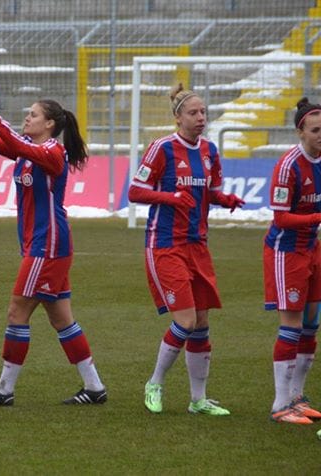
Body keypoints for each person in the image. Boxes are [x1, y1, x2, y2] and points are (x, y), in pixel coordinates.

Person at [0, 83, 107, 407]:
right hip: (43, 245)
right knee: (61, 319)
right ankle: (94, 387)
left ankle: (4, 390)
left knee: (17, 312)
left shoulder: (52, 152)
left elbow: (12, 141)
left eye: (33, 115)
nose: (26, 119)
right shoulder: (29, 147)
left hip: (48, 246)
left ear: (50, 125)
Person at [128, 83, 244, 416]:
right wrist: (171, 197)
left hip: (198, 246)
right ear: (178, 118)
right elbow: (135, 192)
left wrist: (225, 200)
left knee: (202, 322)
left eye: (204, 112)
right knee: (187, 320)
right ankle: (155, 383)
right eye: (193, 113)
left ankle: (198, 399)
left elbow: (208, 193)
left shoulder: (209, 151)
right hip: (164, 244)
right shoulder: (162, 148)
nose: (201, 118)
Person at [263, 97, 321, 424]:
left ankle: (298, 397)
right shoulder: (288, 166)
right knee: (292, 327)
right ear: (301, 132)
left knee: (311, 326)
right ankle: (280, 404)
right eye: (315, 130)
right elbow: (281, 218)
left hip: (312, 247)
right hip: (287, 251)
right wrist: (317, 216)